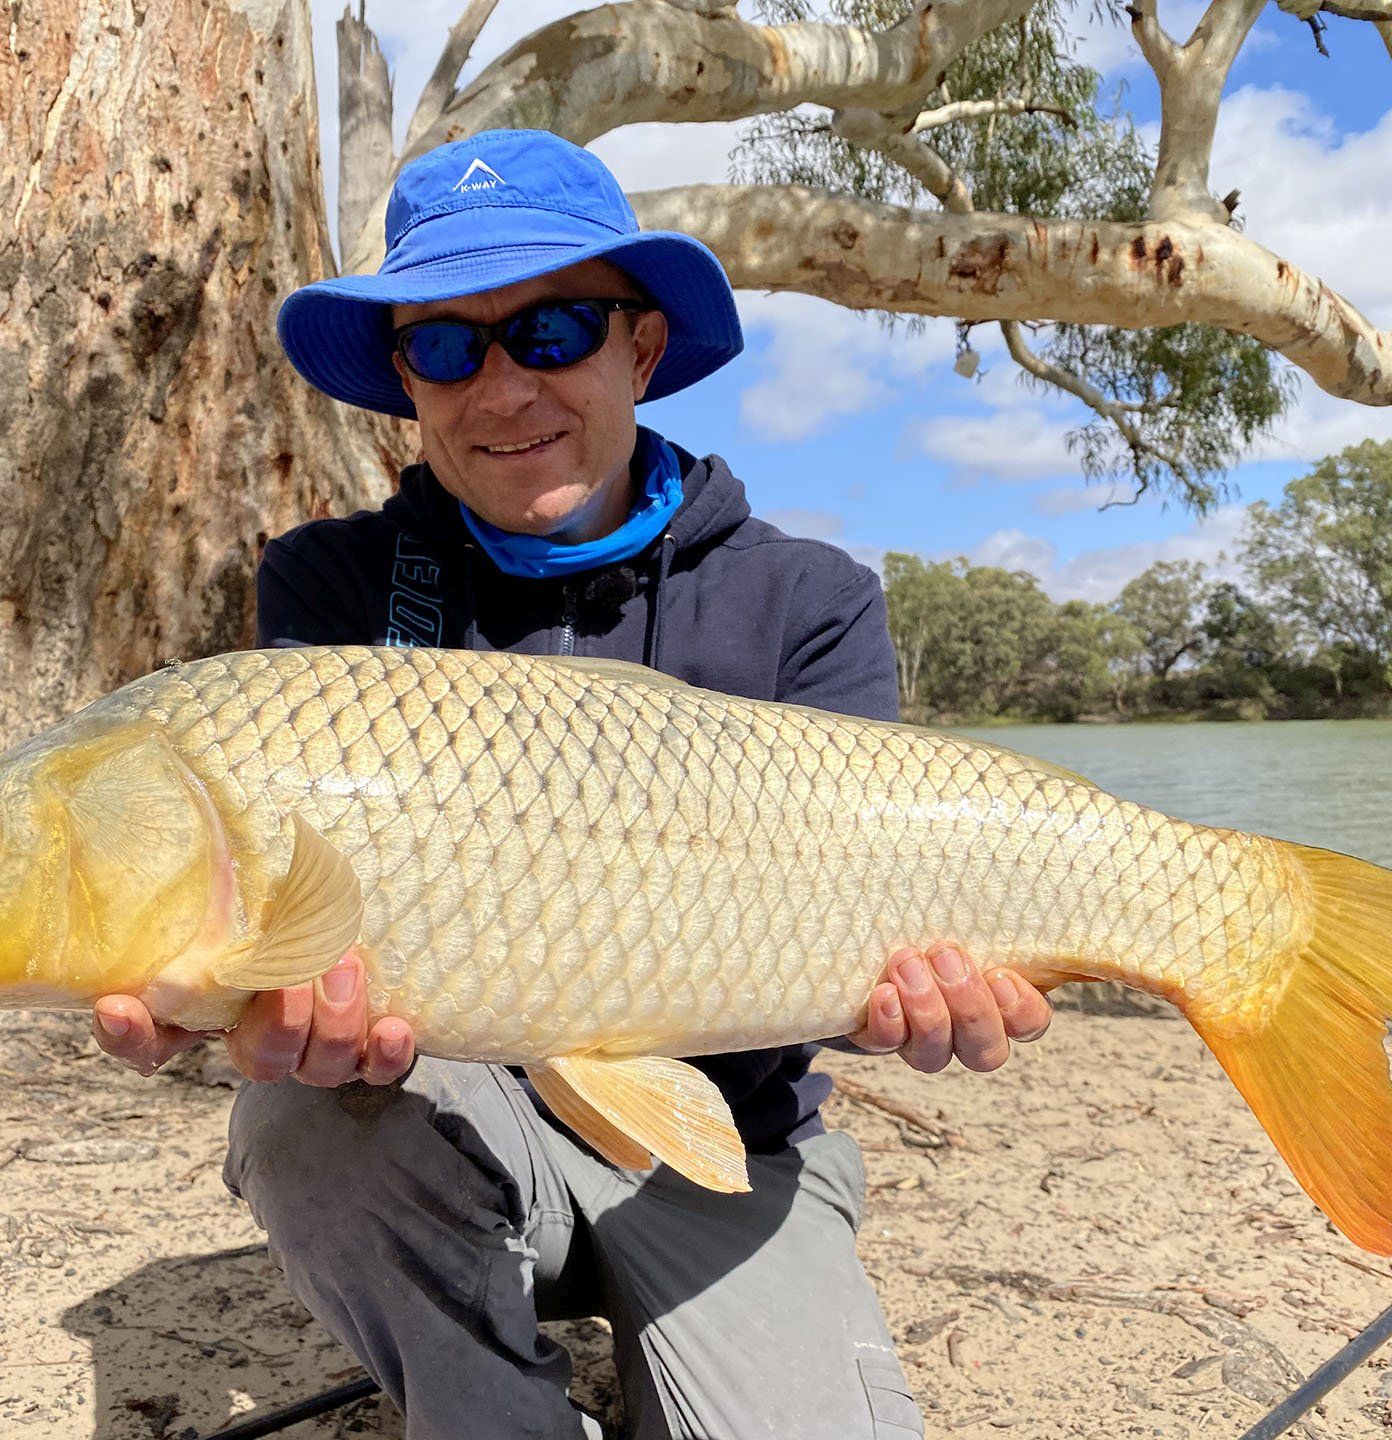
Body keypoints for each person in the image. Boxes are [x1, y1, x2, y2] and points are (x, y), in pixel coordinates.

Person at [92, 130, 1052, 1439]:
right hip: (452, 1125)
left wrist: (912, 1000)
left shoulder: (809, 602)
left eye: (554, 330)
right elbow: (275, 924)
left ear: (640, 349)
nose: (501, 391)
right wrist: (215, 992)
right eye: (446, 346)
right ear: (404, 382)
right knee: (300, 1116)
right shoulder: (331, 589)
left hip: (735, 1146)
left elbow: (851, 950)